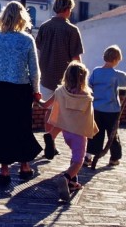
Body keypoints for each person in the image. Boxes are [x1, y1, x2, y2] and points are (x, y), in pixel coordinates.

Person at [0, 1, 42, 187]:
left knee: (1, 129)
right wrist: (36, 91)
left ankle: (4, 171)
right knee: (21, 128)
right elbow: (34, 70)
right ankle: (24, 167)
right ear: (22, 18)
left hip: (0, 88)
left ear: (4, 16)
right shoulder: (27, 40)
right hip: (20, 89)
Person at [40, 61, 98, 202]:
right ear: (83, 78)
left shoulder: (60, 91)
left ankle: (72, 183)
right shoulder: (87, 96)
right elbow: (89, 118)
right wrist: (93, 129)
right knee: (78, 161)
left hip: (65, 131)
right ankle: (65, 179)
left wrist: (37, 99)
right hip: (79, 134)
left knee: (74, 157)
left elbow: (46, 105)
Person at [36, 0, 84, 159]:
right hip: (65, 80)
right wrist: (81, 79)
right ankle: (52, 139)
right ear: (67, 9)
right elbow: (76, 59)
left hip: (46, 77)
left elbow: (39, 50)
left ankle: (50, 144)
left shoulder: (44, 27)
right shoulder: (72, 30)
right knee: (64, 113)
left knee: (48, 111)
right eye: (70, 9)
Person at [85, 45, 126, 166]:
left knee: (95, 133)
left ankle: (88, 156)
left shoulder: (96, 71)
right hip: (112, 111)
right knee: (112, 134)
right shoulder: (116, 74)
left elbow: (90, 86)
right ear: (115, 60)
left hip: (96, 108)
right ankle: (114, 157)